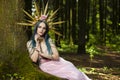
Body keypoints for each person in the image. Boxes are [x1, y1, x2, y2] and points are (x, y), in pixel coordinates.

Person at [26, 19, 91, 80]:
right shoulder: (30, 43)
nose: (41, 30)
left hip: (59, 63)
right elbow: (33, 60)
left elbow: (56, 57)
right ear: (36, 28)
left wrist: (43, 54)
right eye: (39, 27)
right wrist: (37, 45)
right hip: (47, 67)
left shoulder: (49, 41)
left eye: (44, 28)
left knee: (76, 73)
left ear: (46, 30)